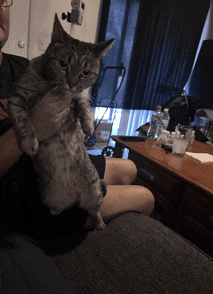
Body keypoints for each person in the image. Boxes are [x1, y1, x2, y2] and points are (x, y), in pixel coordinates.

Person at [0, 1, 155, 234]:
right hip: (34, 190)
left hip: (68, 158)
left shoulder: (21, 66)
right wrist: (33, 127)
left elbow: (69, 89)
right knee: (146, 197)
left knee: (130, 168)